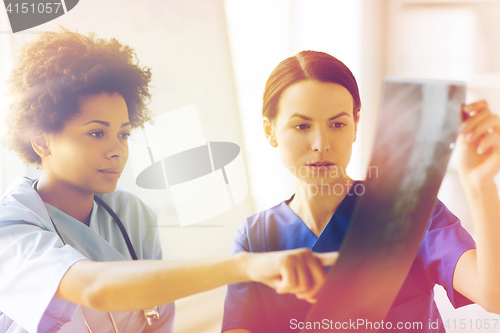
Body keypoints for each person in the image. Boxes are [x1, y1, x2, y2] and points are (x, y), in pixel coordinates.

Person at [0, 31, 338, 333]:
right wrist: (245, 266)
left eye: (124, 134)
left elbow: (155, 320)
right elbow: (94, 288)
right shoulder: (11, 227)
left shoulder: (132, 214)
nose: (117, 150)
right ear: (42, 141)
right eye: (96, 133)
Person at [222, 51, 500, 333]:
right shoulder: (255, 237)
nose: (321, 143)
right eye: (302, 126)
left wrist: (481, 185)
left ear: (355, 126)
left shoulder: (410, 211)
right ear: (270, 132)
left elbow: (494, 296)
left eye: (337, 124)